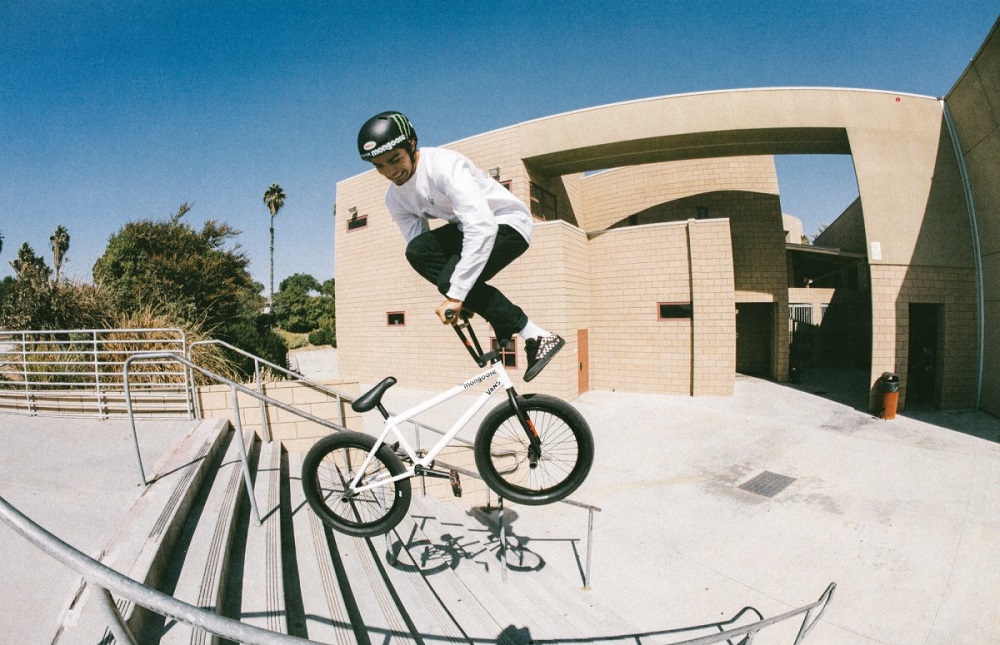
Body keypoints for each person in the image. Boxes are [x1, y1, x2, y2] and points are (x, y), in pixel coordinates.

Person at [357, 110, 564, 381]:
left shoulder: (444, 165)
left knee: (452, 283)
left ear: (411, 145)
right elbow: (422, 249)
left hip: (507, 224)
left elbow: (483, 227)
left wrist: (457, 295)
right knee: (419, 253)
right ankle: (505, 320)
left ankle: (537, 335)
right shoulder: (395, 199)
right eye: (380, 165)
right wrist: (462, 296)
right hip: (466, 230)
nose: (390, 171)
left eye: (395, 159)